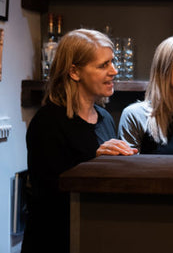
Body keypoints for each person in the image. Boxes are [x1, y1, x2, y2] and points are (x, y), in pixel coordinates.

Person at [22, 29, 138, 253]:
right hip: (53, 241)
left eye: (112, 63)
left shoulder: (104, 117)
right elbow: (47, 197)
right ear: (74, 72)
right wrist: (93, 161)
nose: (114, 71)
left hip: (91, 236)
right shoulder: (47, 122)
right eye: (103, 65)